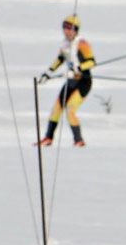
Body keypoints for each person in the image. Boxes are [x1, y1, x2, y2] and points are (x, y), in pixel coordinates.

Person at [37, 14, 94, 148]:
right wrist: (48, 73)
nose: (66, 31)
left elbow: (91, 62)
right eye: (65, 27)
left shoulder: (82, 43)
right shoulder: (65, 43)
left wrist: (79, 68)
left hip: (83, 82)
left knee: (70, 109)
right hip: (71, 81)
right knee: (56, 109)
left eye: (70, 28)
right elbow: (60, 59)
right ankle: (48, 138)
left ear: (76, 30)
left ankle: (79, 140)